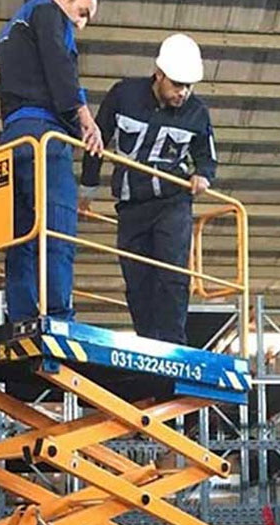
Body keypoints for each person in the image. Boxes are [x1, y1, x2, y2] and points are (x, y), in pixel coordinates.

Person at [79, 34, 216, 344]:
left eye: (189, 86)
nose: (183, 93)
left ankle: (172, 345)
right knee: (137, 279)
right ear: (159, 74)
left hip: (172, 203)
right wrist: (88, 189)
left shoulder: (197, 113)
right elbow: (96, 141)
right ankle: (147, 343)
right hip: (131, 207)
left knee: (172, 274)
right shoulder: (123, 95)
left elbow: (207, 157)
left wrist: (204, 176)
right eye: (177, 84)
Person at [0, 0, 104, 323]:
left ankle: (21, 317)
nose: (81, 24)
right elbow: (59, 66)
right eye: (83, 12)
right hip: (45, 138)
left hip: (11, 140)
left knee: (20, 237)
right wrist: (84, 118)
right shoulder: (48, 12)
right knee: (57, 229)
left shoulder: (13, 27)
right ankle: (58, 317)